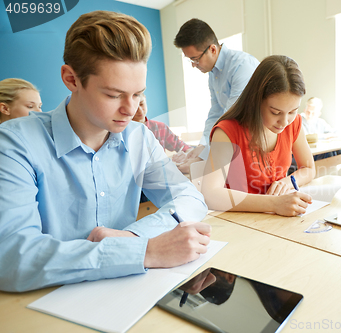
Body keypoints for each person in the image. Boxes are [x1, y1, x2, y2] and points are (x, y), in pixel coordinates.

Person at [0, 11, 210, 293]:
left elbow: (190, 198)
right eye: (113, 95)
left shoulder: (139, 138)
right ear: (71, 79)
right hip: (46, 300)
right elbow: (13, 259)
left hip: (125, 291)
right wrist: (143, 252)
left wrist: (132, 236)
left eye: (138, 94)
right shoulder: (15, 143)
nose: (131, 109)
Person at [201, 55, 315, 217]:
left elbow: (309, 168)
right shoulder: (227, 131)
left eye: (292, 111)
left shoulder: (293, 123)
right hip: (240, 222)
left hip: (276, 219)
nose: (284, 121)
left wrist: (286, 182)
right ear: (256, 100)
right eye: (275, 112)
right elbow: (210, 194)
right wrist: (274, 204)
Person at [173, 18, 260, 173]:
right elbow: (216, 113)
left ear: (212, 49)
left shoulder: (241, 66)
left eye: (195, 59)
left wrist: (202, 158)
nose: (194, 65)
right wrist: (202, 146)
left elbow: (231, 117)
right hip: (235, 145)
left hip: (256, 146)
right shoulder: (214, 73)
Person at [133, 94, 192, 163]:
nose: (140, 110)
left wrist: (185, 154)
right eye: (135, 106)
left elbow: (186, 148)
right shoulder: (122, 132)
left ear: (145, 100)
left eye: (142, 104)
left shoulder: (160, 128)